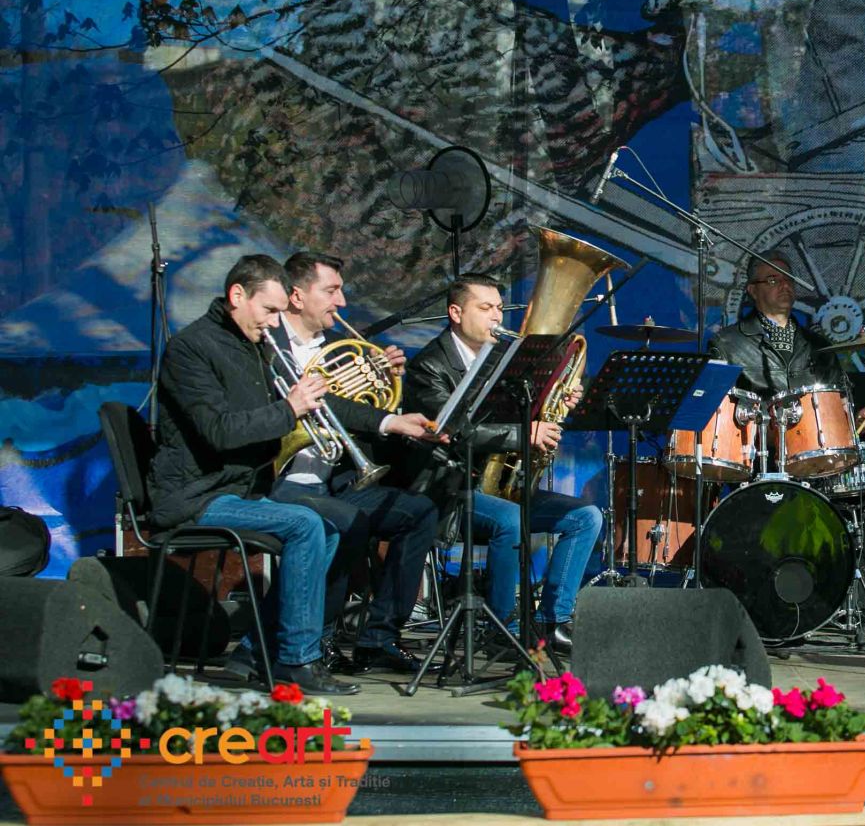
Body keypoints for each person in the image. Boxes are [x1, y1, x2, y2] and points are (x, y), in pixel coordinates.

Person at [147, 255, 434, 694]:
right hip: (195, 495)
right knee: (305, 523)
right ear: (237, 295)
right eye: (268, 310)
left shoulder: (255, 343)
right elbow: (219, 431)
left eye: (279, 312)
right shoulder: (192, 348)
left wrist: (389, 420)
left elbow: (322, 402)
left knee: (328, 527)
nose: (274, 322)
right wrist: (290, 408)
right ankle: (298, 660)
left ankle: (267, 651)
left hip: (238, 489)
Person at [397, 272, 602, 657]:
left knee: (586, 517)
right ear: (456, 313)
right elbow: (450, 430)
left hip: (497, 487)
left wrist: (559, 399)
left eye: (499, 308)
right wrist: (523, 434)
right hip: (447, 492)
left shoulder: (501, 361)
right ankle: (503, 629)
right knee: (510, 518)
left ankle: (552, 621)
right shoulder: (429, 365)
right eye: (485, 307)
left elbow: (521, 415)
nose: (496, 317)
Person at [267, 251, 441, 675]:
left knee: (419, 512)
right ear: (296, 296)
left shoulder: (337, 351)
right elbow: (323, 406)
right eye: (331, 291)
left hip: (334, 480)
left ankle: (379, 636)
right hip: (277, 482)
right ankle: (318, 639)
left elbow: (357, 410)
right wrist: (387, 419)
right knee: (347, 523)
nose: (341, 302)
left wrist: (385, 379)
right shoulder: (267, 346)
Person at [708, 254, 865, 430]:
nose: (784, 285)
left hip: (813, 443)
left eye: (788, 279)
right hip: (757, 445)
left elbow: (839, 406)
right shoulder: (726, 343)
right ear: (753, 290)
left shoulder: (819, 345)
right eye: (773, 280)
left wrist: (855, 421)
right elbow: (716, 417)